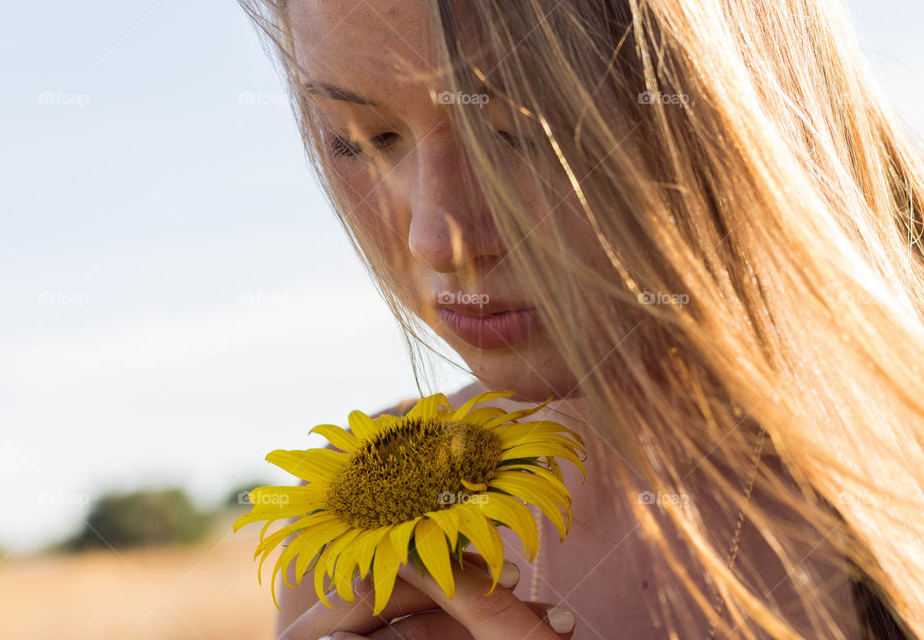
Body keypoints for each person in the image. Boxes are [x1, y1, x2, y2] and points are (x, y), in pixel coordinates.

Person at [236, 0, 924, 638]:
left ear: (737, 108)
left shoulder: (903, 473)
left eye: (526, 130)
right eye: (364, 138)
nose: (436, 237)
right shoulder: (356, 536)